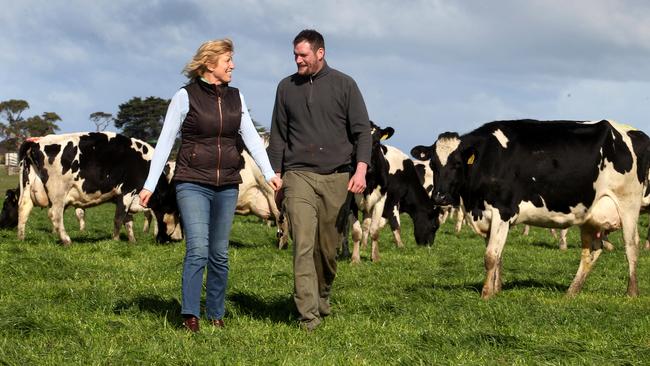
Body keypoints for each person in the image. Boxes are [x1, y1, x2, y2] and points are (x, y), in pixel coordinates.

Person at [139, 39, 282, 333]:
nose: (233, 65)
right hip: (192, 182)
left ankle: (216, 313)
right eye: (228, 60)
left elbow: (252, 137)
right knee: (198, 250)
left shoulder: (236, 98)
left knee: (220, 253)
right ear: (209, 63)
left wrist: (268, 172)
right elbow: (165, 141)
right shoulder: (185, 96)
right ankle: (190, 314)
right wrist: (149, 185)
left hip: (228, 183)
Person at [267, 29, 372, 331]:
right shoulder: (285, 88)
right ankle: (307, 316)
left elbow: (362, 132)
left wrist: (361, 169)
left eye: (303, 55)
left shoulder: (345, 85)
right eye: (295, 55)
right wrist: (276, 175)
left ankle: (322, 295)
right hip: (298, 174)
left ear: (320, 53)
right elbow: (278, 135)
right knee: (302, 243)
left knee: (326, 249)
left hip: (337, 177)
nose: (297, 60)